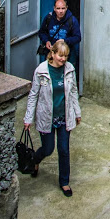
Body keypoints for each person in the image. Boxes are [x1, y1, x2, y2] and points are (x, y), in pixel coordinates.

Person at [24, 40, 81, 197]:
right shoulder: (41, 70)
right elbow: (33, 95)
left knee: (64, 149)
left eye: (66, 56)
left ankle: (64, 182)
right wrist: (28, 118)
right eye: (61, 56)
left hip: (64, 115)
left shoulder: (69, 69)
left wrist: (77, 113)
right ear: (53, 54)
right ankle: (36, 160)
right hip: (47, 116)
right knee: (48, 149)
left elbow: (73, 92)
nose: (63, 59)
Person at [38, 0, 81, 68]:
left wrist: (65, 41)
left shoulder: (72, 20)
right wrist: (46, 41)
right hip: (51, 53)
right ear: (54, 8)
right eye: (58, 8)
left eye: (63, 8)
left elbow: (78, 37)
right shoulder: (49, 18)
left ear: (66, 8)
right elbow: (42, 32)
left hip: (67, 54)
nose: (61, 11)